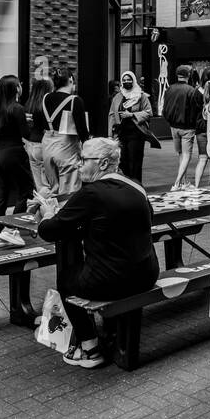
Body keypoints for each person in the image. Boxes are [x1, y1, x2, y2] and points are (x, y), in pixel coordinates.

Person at [34, 137, 160, 369]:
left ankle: (90, 349)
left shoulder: (91, 193)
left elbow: (49, 231)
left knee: (67, 279)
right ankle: (110, 330)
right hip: (147, 274)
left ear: (102, 164)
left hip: (112, 281)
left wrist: (48, 212)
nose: (78, 165)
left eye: (83, 159)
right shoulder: (136, 186)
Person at [0, 74, 36, 248]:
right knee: (26, 190)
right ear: (15, 89)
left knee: (0, 194)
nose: (21, 87)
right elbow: (26, 134)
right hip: (14, 153)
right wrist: (28, 122)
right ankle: (12, 230)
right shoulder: (17, 108)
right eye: (19, 84)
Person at [33, 68, 88, 196]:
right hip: (66, 147)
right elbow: (82, 131)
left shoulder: (45, 98)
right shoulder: (75, 100)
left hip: (47, 145)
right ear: (70, 80)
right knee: (69, 190)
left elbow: (39, 123)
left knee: (53, 189)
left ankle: (50, 213)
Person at [108, 70, 159, 182]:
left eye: (129, 79)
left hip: (136, 132)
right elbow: (112, 114)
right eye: (124, 80)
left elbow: (149, 112)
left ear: (133, 80)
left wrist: (132, 115)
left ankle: (136, 185)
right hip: (121, 133)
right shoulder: (118, 96)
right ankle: (127, 184)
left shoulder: (141, 96)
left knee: (135, 161)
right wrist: (110, 134)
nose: (127, 82)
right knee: (123, 161)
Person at [161, 65, 204, 191]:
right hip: (187, 128)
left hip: (174, 127)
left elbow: (164, 108)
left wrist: (170, 120)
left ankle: (183, 182)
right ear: (189, 75)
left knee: (180, 155)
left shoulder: (170, 89)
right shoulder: (192, 91)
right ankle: (177, 183)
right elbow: (198, 109)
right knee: (186, 156)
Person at [24, 78, 55, 195]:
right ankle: (48, 209)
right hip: (42, 145)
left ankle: (41, 207)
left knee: (38, 184)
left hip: (30, 145)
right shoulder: (45, 106)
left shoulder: (29, 104)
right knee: (47, 185)